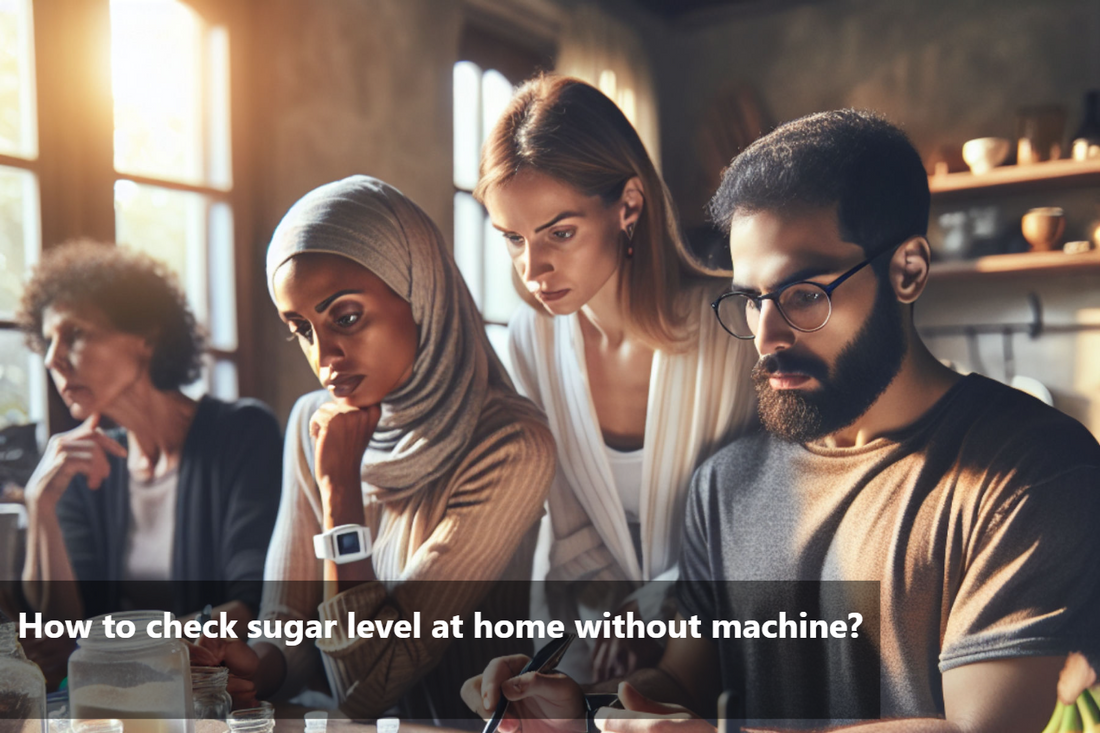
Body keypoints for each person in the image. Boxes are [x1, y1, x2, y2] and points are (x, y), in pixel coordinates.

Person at [461, 110, 1100, 733]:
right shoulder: (725, 485)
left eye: (803, 295)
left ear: (907, 270)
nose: (767, 336)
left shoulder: (1034, 470)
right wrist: (585, 707)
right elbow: (683, 683)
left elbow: (974, 726)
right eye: (751, 299)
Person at [476, 74, 758, 681]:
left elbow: (770, 514)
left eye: (560, 232)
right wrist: (617, 622)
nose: (533, 268)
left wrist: (658, 608)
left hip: (737, 644)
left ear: (629, 205)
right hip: (600, 642)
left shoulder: (737, 329)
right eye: (512, 239)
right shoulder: (531, 341)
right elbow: (570, 524)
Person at [248, 176, 556, 719]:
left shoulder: (511, 444)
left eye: (345, 317)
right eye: (301, 328)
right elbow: (286, 630)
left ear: (420, 293)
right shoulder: (312, 424)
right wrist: (247, 667)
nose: (325, 358)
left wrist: (340, 492)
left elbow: (368, 685)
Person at [17, 241, 282, 680]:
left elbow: (251, 603)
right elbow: (59, 630)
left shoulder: (242, 432)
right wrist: (40, 505)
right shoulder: (83, 467)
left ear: (148, 336)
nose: (52, 358)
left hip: (219, 697)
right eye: (47, 341)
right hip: (117, 703)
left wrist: (114, 649)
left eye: (75, 334)